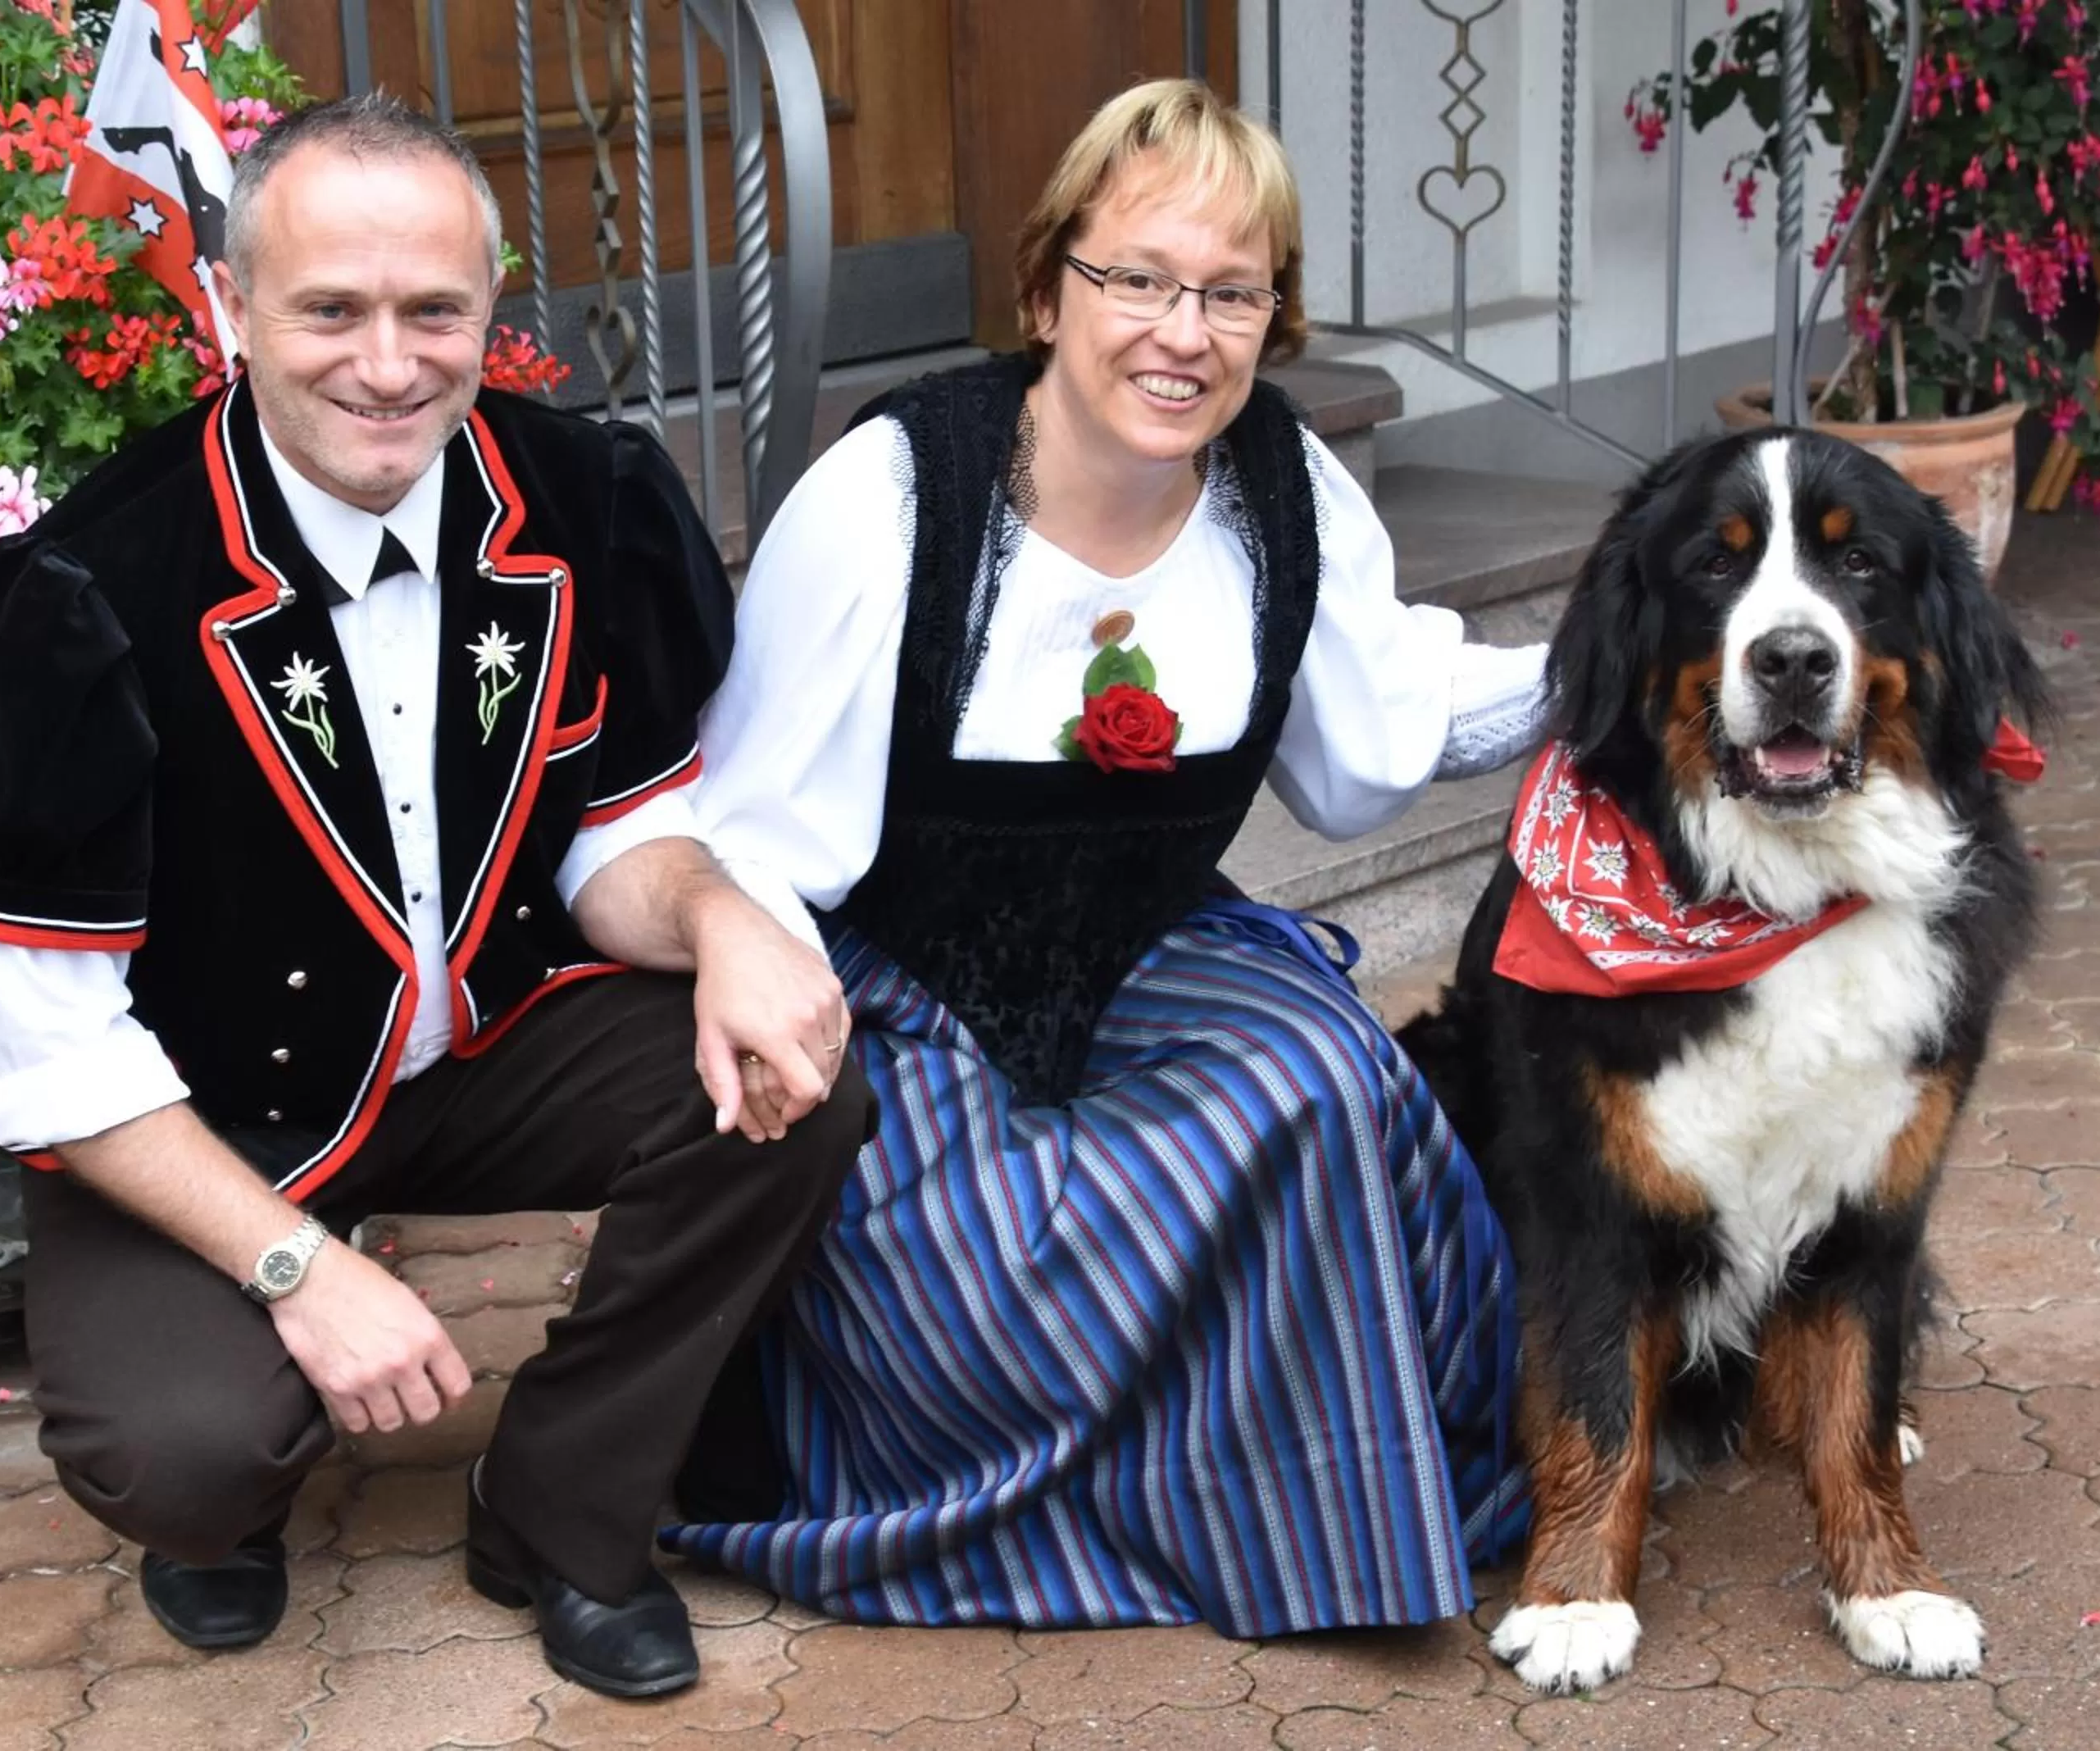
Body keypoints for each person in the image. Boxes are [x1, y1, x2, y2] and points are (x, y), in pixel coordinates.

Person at [0, 93, 870, 1699]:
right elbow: (51, 1051)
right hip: (205, 1107)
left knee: (792, 1081)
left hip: (482, 1045)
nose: (388, 363)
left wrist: (724, 924)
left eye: (435, 311)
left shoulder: (583, 502)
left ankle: (557, 1507)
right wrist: (306, 1270)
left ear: (491, 307)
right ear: (229, 307)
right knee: (184, 1457)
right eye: (330, 311)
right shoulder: (75, 598)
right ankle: (231, 1475)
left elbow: (618, 834)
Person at [662, 79, 1550, 1636]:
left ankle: (1325, 1523)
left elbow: (1379, 736)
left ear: (1271, 318)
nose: (1181, 333)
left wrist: (1623, 668)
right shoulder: (895, 496)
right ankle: (1137, 1509)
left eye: (1231, 293)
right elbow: (751, 829)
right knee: (1000, 1258)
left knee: (1329, 1091)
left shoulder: (1281, 488)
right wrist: (757, 989)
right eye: (1137, 278)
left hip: (1148, 948)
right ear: (1044, 290)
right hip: (903, 973)